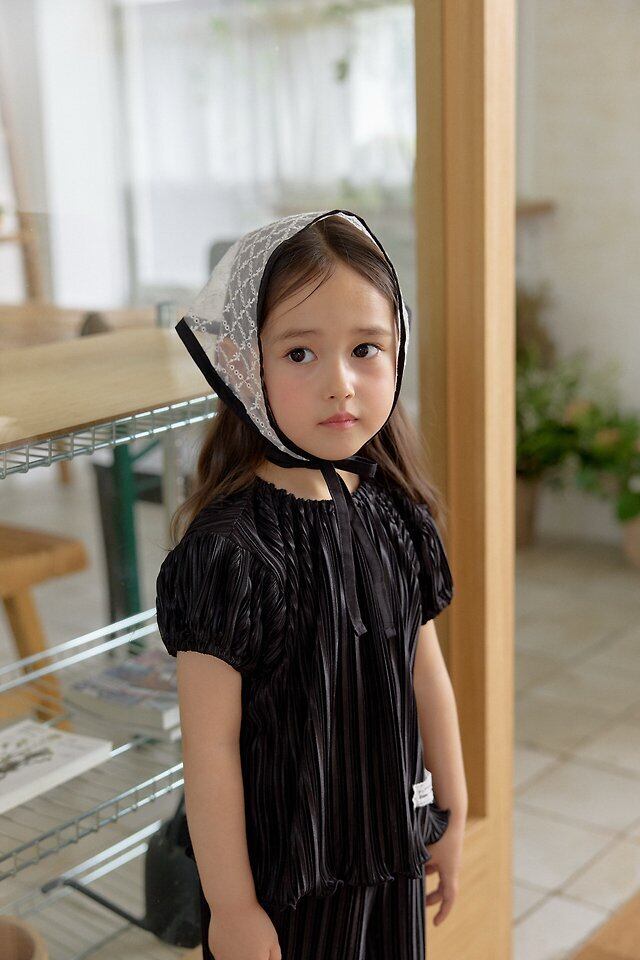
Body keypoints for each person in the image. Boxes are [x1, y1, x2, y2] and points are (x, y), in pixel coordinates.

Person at [155, 209, 468, 960]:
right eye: (300, 353)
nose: (340, 384)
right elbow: (210, 747)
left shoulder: (396, 515)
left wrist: (452, 812)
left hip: (388, 854)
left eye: (366, 349)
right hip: (282, 882)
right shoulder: (230, 553)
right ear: (245, 366)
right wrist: (232, 906)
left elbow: (426, 673)